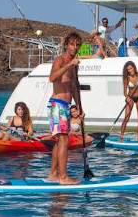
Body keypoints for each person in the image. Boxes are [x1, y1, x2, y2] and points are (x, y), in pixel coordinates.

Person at [48, 32, 84, 185]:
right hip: (57, 104)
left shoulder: (74, 65)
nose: (74, 48)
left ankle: (53, 174)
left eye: (77, 45)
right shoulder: (60, 60)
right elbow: (52, 78)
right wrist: (69, 65)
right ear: (66, 45)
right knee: (63, 141)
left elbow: (75, 87)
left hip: (66, 106)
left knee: (60, 141)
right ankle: (63, 177)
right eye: (72, 44)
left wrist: (80, 107)